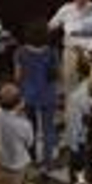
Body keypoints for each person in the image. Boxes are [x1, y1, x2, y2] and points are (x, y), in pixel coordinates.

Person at [14, 22, 59, 168]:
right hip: (48, 94)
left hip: (29, 95)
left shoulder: (20, 52)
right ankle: (48, 161)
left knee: (30, 127)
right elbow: (56, 74)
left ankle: (31, 157)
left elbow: (18, 76)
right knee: (48, 129)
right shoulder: (52, 52)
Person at [47, 0, 92, 90]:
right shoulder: (66, 9)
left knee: (91, 86)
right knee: (70, 85)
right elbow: (51, 26)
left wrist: (75, 33)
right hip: (71, 52)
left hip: (90, 53)